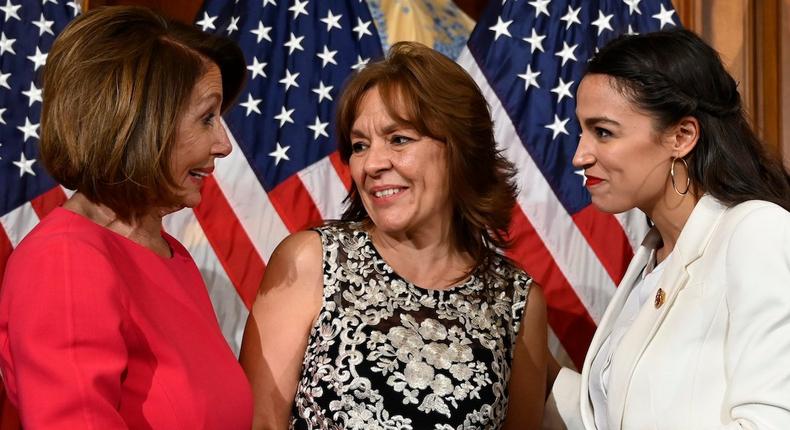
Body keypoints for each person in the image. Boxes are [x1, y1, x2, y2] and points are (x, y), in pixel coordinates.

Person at [240, 41, 547, 429]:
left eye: (399, 139)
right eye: (359, 146)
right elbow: (257, 422)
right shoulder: (314, 260)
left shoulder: (515, 300)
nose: (372, 163)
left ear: (459, 149)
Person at [0, 6, 252, 429]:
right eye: (207, 117)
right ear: (141, 123)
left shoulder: (169, 255)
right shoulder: (65, 260)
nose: (223, 144)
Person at [548, 28, 790, 429]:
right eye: (582, 130)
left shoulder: (757, 232)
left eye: (603, 132)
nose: (579, 155)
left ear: (682, 136)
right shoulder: (651, 256)